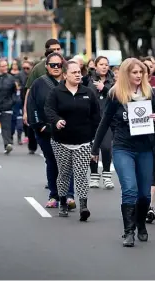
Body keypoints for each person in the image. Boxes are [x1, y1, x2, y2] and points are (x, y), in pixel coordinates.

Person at [91, 58, 155, 247]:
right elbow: (105, 121)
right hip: (123, 147)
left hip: (146, 147)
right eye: (134, 72)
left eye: (141, 72)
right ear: (126, 74)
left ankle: (140, 223)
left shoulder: (151, 93)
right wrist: (95, 147)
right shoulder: (115, 94)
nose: (138, 76)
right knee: (130, 189)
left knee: (145, 195)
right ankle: (128, 231)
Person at [44, 60, 101, 220]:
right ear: (65, 75)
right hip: (61, 141)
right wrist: (56, 120)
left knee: (82, 174)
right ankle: (62, 202)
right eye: (74, 73)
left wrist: (94, 140)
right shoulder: (56, 92)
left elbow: (96, 117)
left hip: (83, 142)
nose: (78, 75)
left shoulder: (88, 93)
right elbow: (49, 110)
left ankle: (83, 206)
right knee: (64, 174)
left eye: (79, 72)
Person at [26, 53, 77, 209]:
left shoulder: (70, 82)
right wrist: (39, 126)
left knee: (67, 163)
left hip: (67, 131)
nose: (56, 68)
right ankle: (54, 195)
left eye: (59, 65)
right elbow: (32, 106)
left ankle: (69, 196)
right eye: (52, 65)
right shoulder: (38, 84)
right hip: (45, 131)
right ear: (46, 66)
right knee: (52, 161)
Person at [86, 56, 116, 189]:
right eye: (101, 64)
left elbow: (117, 96)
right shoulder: (88, 80)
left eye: (106, 64)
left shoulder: (114, 80)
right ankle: (94, 176)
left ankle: (107, 175)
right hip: (92, 120)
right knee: (93, 149)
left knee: (106, 147)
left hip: (108, 120)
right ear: (96, 66)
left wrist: (103, 88)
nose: (104, 67)